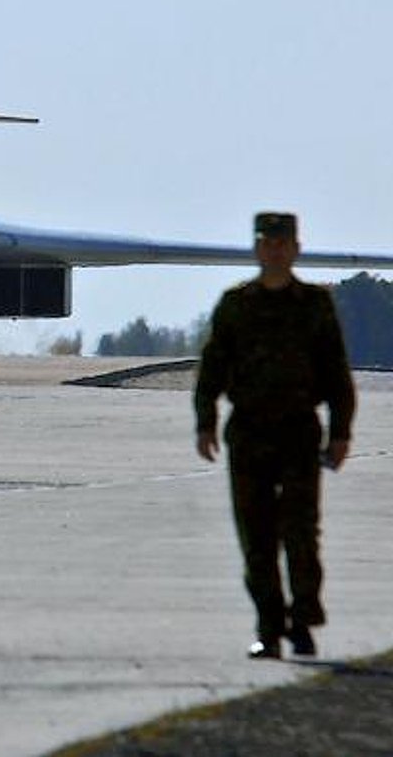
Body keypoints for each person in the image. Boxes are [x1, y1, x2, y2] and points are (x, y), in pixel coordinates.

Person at [194, 212, 354, 660]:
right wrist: (204, 422)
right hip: (248, 434)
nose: (275, 249)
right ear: (257, 248)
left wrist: (341, 432)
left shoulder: (315, 305)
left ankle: (302, 621)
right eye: (267, 242)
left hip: (299, 433)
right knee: (256, 536)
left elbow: (337, 373)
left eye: (282, 242)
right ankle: (269, 626)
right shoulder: (235, 305)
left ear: (295, 248)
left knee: (301, 531)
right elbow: (212, 368)